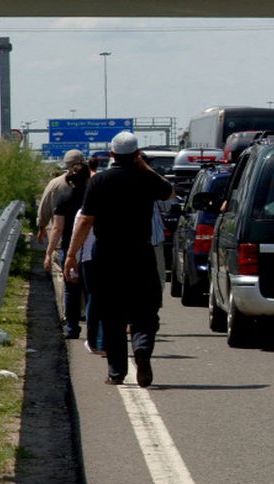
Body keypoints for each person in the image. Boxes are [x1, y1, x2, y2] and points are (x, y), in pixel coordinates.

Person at [63, 132, 173, 388]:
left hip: (108, 257)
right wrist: (144, 166)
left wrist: (71, 255)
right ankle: (142, 348)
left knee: (111, 315)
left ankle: (116, 372)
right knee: (145, 311)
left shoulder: (99, 181)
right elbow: (169, 193)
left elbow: (85, 220)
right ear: (136, 155)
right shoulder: (146, 179)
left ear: (111, 155)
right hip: (141, 254)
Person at [45, 161, 91, 339]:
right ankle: (96, 332)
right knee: (91, 291)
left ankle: (72, 329)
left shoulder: (64, 198)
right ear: (88, 177)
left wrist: (49, 253)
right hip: (91, 249)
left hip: (68, 248)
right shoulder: (92, 196)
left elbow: (57, 229)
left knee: (71, 290)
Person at [37, 149, 87, 301]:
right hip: (86, 239)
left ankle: (67, 313)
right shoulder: (91, 183)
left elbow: (44, 209)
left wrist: (41, 228)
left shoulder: (55, 184)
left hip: (61, 240)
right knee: (85, 276)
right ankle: (83, 310)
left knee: (62, 275)